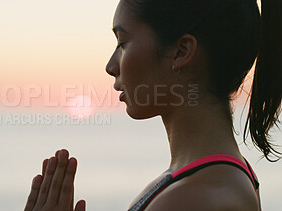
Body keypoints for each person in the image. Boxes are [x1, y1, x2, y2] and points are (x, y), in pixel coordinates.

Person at [24, 0, 282, 210]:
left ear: (181, 52)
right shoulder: (218, 179)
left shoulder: (192, 199)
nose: (111, 66)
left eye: (123, 43)